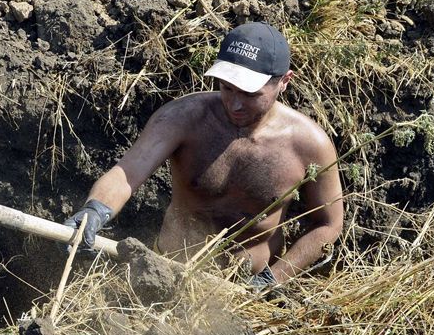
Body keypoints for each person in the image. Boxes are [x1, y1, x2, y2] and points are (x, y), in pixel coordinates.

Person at [61, 22, 344, 289]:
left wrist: (273, 279)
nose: (235, 104)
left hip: (244, 291)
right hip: (164, 274)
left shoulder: (310, 145)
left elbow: (329, 224)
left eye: (250, 94)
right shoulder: (184, 117)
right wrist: (95, 211)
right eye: (227, 88)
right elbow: (128, 172)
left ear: (284, 81)